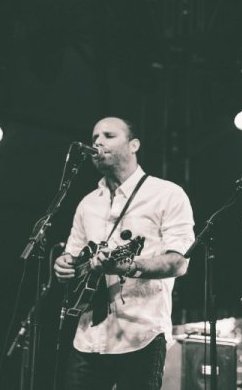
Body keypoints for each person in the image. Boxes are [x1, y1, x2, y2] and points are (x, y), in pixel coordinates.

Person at [53, 116, 195, 390]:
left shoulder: (167, 194)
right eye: (95, 138)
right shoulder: (87, 204)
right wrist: (64, 266)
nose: (98, 142)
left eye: (108, 136)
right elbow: (74, 257)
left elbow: (179, 262)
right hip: (88, 337)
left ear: (134, 145)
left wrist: (128, 266)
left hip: (141, 334)